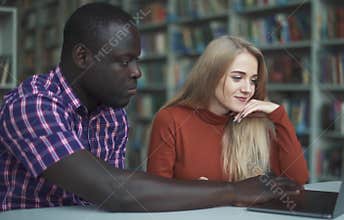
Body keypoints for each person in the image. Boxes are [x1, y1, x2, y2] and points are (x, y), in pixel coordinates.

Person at [0, 3, 303, 212]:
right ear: (82, 57)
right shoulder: (31, 105)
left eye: (137, 60)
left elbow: (120, 191)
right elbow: (115, 192)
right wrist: (235, 191)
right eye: (123, 61)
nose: (136, 72)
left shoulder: (112, 113)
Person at [147, 36, 309, 184]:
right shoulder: (170, 119)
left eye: (253, 81)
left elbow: (297, 182)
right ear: (210, 76)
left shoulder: (256, 122)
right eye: (237, 78)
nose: (248, 89)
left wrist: (280, 116)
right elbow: (155, 195)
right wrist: (193, 192)